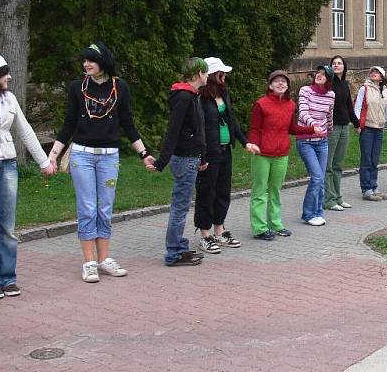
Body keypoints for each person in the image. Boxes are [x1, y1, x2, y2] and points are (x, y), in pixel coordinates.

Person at [49, 42, 154, 282]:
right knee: (87, 208)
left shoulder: (120, 88)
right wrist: (53, 156)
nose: (86, 64)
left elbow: (128, 125)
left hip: (109, 157)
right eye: (84, 60)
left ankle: (104, 259)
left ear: (103, 61)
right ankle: (89, 263)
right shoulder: (77, 88)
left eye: (91, 60)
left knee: (105, 209)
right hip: (82, 156)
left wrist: (143, 154)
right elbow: (68, 125)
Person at [0, 55, 56, 300]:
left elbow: (26, 131)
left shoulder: (10, 99)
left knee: (7, 226)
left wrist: (44, 161)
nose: (9, 76)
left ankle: (8, 278)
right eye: (4, 73)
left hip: (8, 164)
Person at [150, 58, 209, 267]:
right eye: (206, 72)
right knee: (180, 207)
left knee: (182, 205)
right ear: (198, 74)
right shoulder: (184, 97)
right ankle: (174, 252)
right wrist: (161, 162)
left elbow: (197, 131)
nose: (208, 76)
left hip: (191, 157)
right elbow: (173, 131)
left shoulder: (192, 96)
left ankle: (179, 246)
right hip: (184, 159)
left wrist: (202, 156)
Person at [196, 57, 257, 254]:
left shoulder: (224, 94)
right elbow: (199, 128)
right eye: (222, 73)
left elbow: (233, 122)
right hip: (209, 153)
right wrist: (201, 156)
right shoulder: (201, 98)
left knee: (223, 191)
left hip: (225, 150)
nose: (225, 76)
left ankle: (219, 230)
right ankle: (205, 235)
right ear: (213, 75)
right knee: (207, 192)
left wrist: (245, 141)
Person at [248, 70, 319, 240]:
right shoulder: (261, 104)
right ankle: (259, 228)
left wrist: (311, 129)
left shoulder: (290, 105)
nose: (280, 83)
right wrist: (253, 144)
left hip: (282, 154)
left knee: (275, 190)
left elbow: (291, 128)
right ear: (270, 85)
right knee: (260, 191)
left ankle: (276, 223)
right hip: (262, 154)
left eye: (284, 81)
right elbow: (255, 128)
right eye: (277, 81)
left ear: (287, 86)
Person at [296, 66, 334, 226]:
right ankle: (308, 213)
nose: (319, 76)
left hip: (322, 141)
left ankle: (318, 212)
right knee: (317, 177)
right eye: (318, 73)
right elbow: (303, 113)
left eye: (323, 74)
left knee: (321, 178)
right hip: (305, 140)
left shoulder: (331, 95)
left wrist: (328, 129)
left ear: (329, 79)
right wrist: (314, 126)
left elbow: (329, 114)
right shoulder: (305, 90)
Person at [325, 56, 358, 212]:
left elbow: (349, 107)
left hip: (345, 127)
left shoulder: (345, 84)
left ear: (344, 67)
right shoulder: (328, 84)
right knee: (328, 166)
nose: (336, 65)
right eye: (334, 63)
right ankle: (329, 200)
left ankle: (338, 197)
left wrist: (356, 124)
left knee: (338, 165)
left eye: (339, 63)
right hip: (332, 128)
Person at [354, 66, 387, 201]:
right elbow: (357, 107)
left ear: (382, 76)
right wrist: (357, 125)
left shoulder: (386, 91)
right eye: (372, 72)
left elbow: (386, 111)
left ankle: (374, 186)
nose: (374, 74)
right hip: (367, 128)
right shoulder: (365, 88)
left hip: (379, 128)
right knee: (366, 159)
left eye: (377, 72)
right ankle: (366, 189)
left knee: (375, 159)